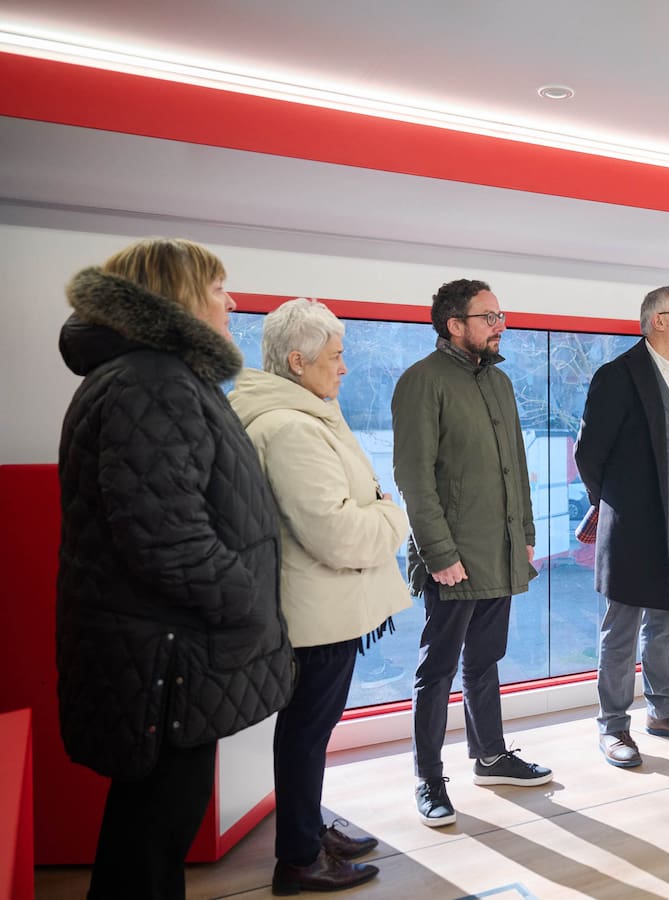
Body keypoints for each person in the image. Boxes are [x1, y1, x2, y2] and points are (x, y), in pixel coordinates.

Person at [56, 238, 295, 900]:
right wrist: (248, 601)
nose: (231, 302)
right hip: (169, 658)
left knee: (149, 835)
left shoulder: (151, 376)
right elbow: (164, 536)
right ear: (179, 295)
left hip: (166, 652)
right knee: (150, 840)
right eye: (218, 288)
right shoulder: (153, 382)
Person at [229, 298, 412, 894]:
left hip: (321, 606)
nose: (344, 367)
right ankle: (300, 857)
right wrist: (393, 517)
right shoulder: (291, 429)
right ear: (297, 360)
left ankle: (306, 833)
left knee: (307, 730)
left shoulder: (301, 416)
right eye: (335, 355)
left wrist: (375, 506)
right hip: (317, 612)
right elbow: (337, 533)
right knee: (307, 733)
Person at [391, 278, 552, 827]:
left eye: (499, 315)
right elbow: (414, 479)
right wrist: (437, 552)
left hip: (499, 550)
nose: (499, 325)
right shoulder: (422, 381)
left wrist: (525, 532)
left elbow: (517, 469)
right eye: (488, 317)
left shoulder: (499, 382)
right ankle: (429, 779)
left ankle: (491, 757)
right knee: (436, 670)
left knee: (485, 660)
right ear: (454, 324)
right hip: (453, 559)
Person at [574, 286, 669, 768]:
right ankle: (613, 725)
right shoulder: (617, 375)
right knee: (621, 629)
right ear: (659, 320)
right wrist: (618, 504)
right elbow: (588, 454)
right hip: (633, 524)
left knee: (665, 624)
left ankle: (664, 711)